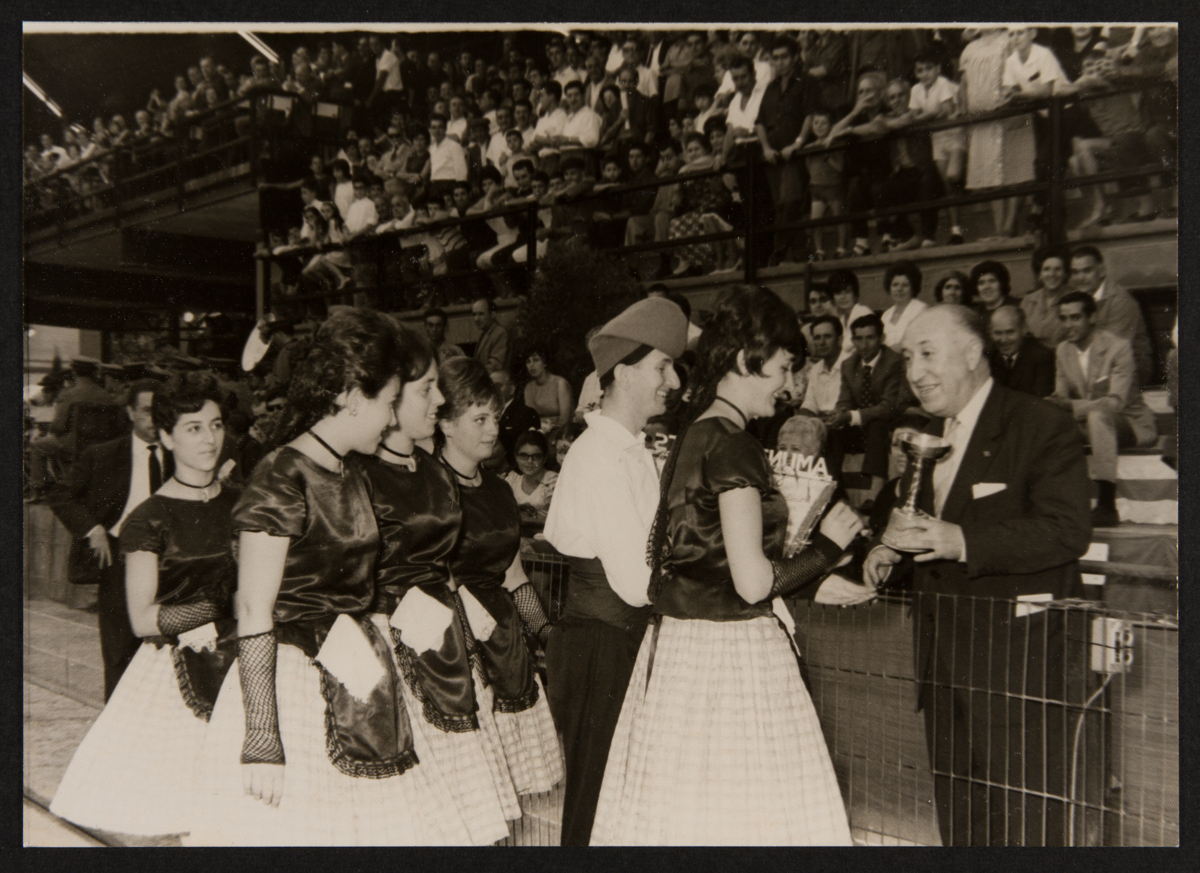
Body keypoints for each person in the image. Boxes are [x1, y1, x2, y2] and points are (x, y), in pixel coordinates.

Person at [188, 310, 477, 845]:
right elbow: (253, 608)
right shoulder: (282, 476)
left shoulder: (349, 470)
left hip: (351, 665)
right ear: (351, 396)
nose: (391, 419)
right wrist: (262, 736)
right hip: (293, 682)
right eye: (389, 402)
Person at [591, 285, 858, 845]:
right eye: (783, 368)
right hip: (733, 656)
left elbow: (704, 555)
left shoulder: (693, 433)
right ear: (745, 360)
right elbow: (753, 582)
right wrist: (828, 548)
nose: (790, 386)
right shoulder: (735, 444)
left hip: (681, 651)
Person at [864, 304, 1093, 846]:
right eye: (907, 358)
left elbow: (1067, 530)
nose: (914, 372)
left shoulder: (1040, 424)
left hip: (1018, 669)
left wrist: (961, 540)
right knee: (962, 826)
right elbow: (919, 530)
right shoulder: (927, 435)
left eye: (927, 354)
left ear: (972, 353)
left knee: (1029, 826)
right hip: (943, 667)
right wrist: (888, 553)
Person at [50, 375, 239, 837]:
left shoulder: (242, 502)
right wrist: (221, 606)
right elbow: (142, 619)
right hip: (181, 670)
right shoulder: (148, 518)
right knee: (184, 813)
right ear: (167, 437)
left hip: (249, 662)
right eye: (193, 428)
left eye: (215, 425)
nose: (210, 439)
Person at [353, 334, 517, 845]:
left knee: (465, 806)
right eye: (426, 390)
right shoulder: (359, 471)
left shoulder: (434, 472)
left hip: (440, 636)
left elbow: (444, 565)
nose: (438, 400)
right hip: (384, 632)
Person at [543, 295, 689, 846]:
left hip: (620, 641)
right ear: (623, 373)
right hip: (602, 648)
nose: (673, 382)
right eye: (662, 367)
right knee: (594, 802)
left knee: (620, 804)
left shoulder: (630, 451)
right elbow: (637, 581)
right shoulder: (600, 457)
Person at [436, 358, 564, 799]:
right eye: (480, 419)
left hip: (505, 645)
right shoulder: (429, 489)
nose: (494, 430)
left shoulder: (498, 489)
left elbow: (514, 576)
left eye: (495, 417)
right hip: (455, 651)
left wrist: (546, 633)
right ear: (446, 424)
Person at [50, 379, 172, 700]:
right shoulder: (103, 455)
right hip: (122, 558)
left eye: (161, 410)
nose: (155, 418)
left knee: (171, 648)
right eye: (147, 411)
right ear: (131, 412)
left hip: (173, 561)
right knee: (120, 648)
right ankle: (117, 718)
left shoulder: (180, 455)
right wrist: (93, 529)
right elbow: (61, 495)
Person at [1049, 291, 1157, 528]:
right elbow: (1061, 396)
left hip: (1130, 423)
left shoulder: (1118, 347)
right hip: (1089, 424)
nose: (1068, 325)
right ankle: (1057, 503)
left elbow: (1115, 402)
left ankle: (1107, 504)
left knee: (1098, 416)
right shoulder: (1063, 350)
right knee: (1048, 420)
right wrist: (1053, 404)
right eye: (1063, 318)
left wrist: (1071, 406)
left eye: (1075, 317)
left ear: (1092, 318)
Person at [825, 313, 905, 508]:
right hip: (861, 423)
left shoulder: (894, 362)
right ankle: (836, 492)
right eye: (859, 339)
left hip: (890, 421)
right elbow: (845, 401)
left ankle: (876, 496)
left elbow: (888, 407)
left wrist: (850, 416)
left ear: (881, 338)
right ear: (852, 341)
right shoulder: (848, 365)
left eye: (870, 338)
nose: (864, 344)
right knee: (833, 431)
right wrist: (839, 414)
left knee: (877, 426)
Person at [1068, 246, 1154, 386]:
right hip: (1092, 364)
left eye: (1087, 271)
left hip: (1129, 367)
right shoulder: (1076, 297)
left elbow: (1112, 349)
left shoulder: (1120, 301)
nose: (1080, 278)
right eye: (1075, 272)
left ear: (1101, 271)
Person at [988, 305, 1055, 398]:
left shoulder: (1042, 357)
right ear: (990, 332)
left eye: (1010, 332)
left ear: (1024, 329)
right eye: (997, 333)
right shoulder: (990, 356)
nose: (1003, 340)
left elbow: (1040, 401)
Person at [1020, 247, 1071, 349]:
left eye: (1058, 269)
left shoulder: (1073, 299)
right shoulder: (1028, 300)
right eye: (1046, 269)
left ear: (1065, 274)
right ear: (1040, 275)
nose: (1052, 274)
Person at [504, 430, 558, 524]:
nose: (529, 461)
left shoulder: (553, 480)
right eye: (524, 456)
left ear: (544, 458)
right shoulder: (512, 480)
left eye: (536, 456)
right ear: (516, 457)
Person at [491, 368, 540, 469]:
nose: (493, 391)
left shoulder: (526, 413)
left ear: (512, 389)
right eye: (490, 387)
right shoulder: (487, 413)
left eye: (497, 386)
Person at [799, 314, 844, 419]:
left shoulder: (852, 365)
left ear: (840, 340)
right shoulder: (815, 369)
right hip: (820, 423)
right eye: (817, 338)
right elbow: (810, 403)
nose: (822, 343)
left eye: (827, 336)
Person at [880, 259, 930, 350]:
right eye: (895, 285)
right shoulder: (886, 315)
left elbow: (919, 342)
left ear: (913, 288)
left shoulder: (921, 310)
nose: (899, 289)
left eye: (905, 285)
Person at [523, 348, 574, 432]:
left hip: (562, 432)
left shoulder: (560, 383)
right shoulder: (529, 388)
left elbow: (565, 419)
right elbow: (530, 419)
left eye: (536, 360)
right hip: (540, 431)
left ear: (545, 363)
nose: (531, 365)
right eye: (528, 361)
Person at [828, 268, 873, 362]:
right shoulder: (842, 319)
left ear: (855, 294)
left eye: (847, 292)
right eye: (838, 293)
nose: (843, 297)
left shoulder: (863, 313)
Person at [471, 296, 512, 375]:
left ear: (493, 314)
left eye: (481, 314)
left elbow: (495, 365)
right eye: (474, 314)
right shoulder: (486, 333)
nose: (476, 319)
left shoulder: (500, 333)